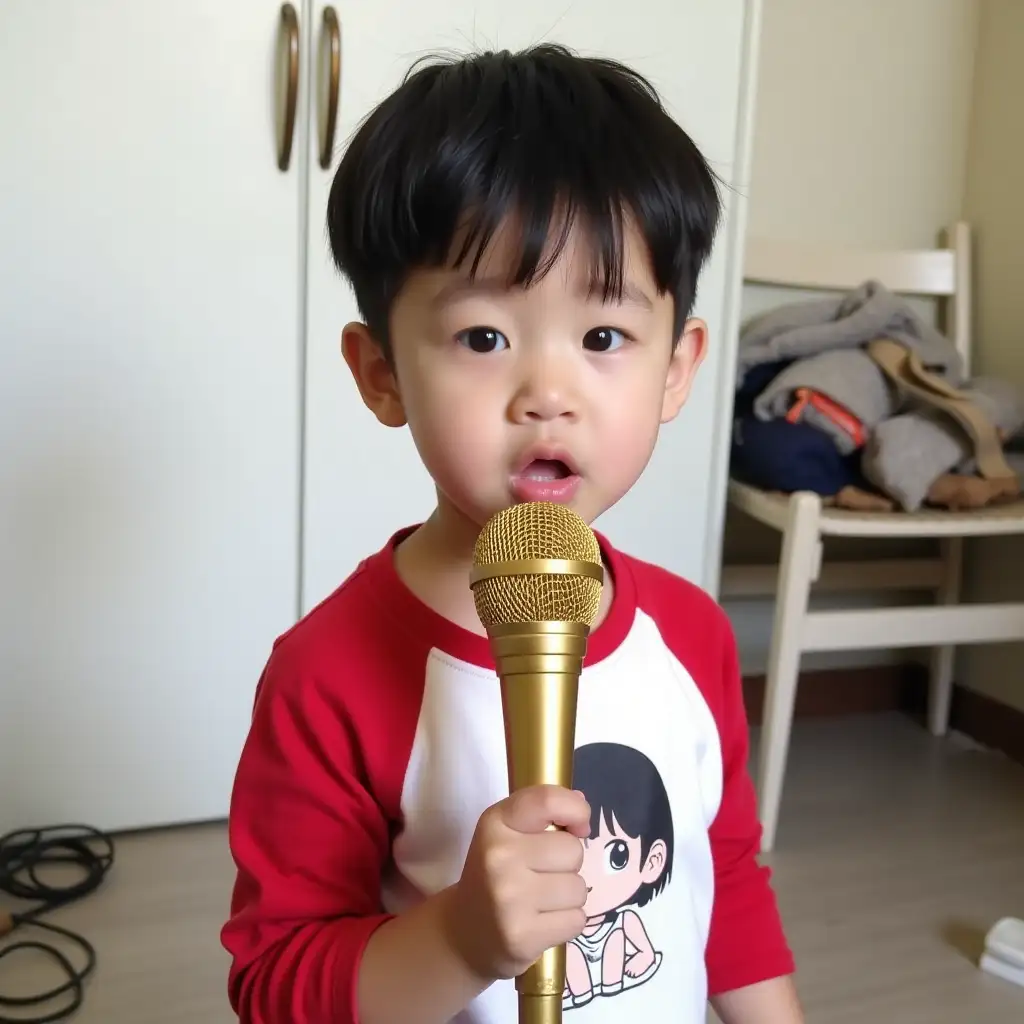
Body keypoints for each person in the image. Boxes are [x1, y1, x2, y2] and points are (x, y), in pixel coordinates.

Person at [220, 43, 803, 1024]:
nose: (548, 394)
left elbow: (725, 879)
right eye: (483, 337)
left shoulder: (693, 635)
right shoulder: (326, 676)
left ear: (676, 368)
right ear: (381, 374)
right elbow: (278, 986)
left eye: (604, 337)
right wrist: (457, 937)